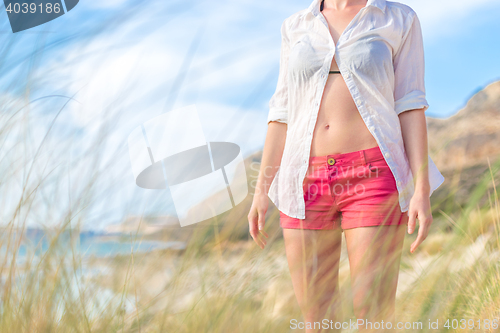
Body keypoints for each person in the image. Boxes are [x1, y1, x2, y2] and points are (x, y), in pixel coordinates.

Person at [247, 0, 445, 332]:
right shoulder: (296, 26)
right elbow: (281, 112)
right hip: (303, 180)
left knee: (375, 314)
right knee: (317, 319)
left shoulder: (397, 18)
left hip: (372, 175)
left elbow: (410, 104)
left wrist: (420, 190)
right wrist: (261, 190)